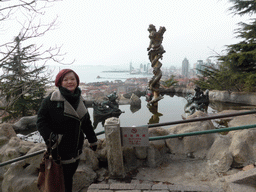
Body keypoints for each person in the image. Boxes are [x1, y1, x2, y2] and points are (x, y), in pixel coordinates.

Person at [36, 69, 98, 192]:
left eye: (72, 79)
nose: (70, 82)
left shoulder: (80, 100)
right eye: (65, 80)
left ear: (77, 81)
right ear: (60, 83)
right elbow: (40, 122)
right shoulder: (51, 100)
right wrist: (52, 138)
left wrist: (93, 140)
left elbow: (86, 123)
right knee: (61, 182)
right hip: (58, 150)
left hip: (76, 150)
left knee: (68, 178)